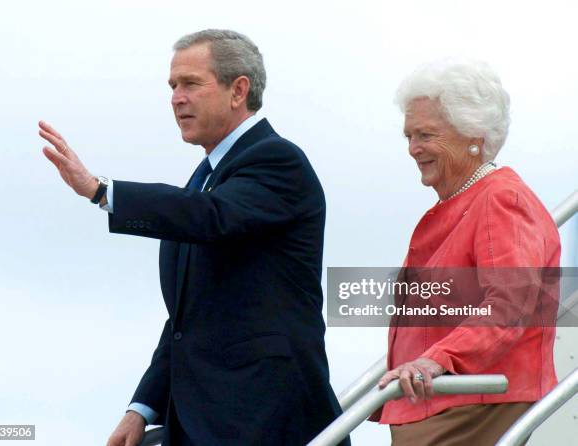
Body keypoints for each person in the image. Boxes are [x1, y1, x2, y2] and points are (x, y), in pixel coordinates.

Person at [39, 29, 348, 446]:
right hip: (199, 421)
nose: (176, 98)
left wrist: (102, 190)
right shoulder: (204, 179)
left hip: (264, 418)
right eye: (172, 86)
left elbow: (210, 217)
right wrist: (142, 408)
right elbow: (187, 321)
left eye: (190, 84)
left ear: (238, 90)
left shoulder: (277, 160)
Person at [373, 59, 560, 445]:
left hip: (472, 406)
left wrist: (438, 360)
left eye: (425, 134)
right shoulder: (462, 203)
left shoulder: (501, 199)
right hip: (438, 404)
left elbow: (510, 303)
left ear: (473, 134)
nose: (413, 149)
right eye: (408, 136)